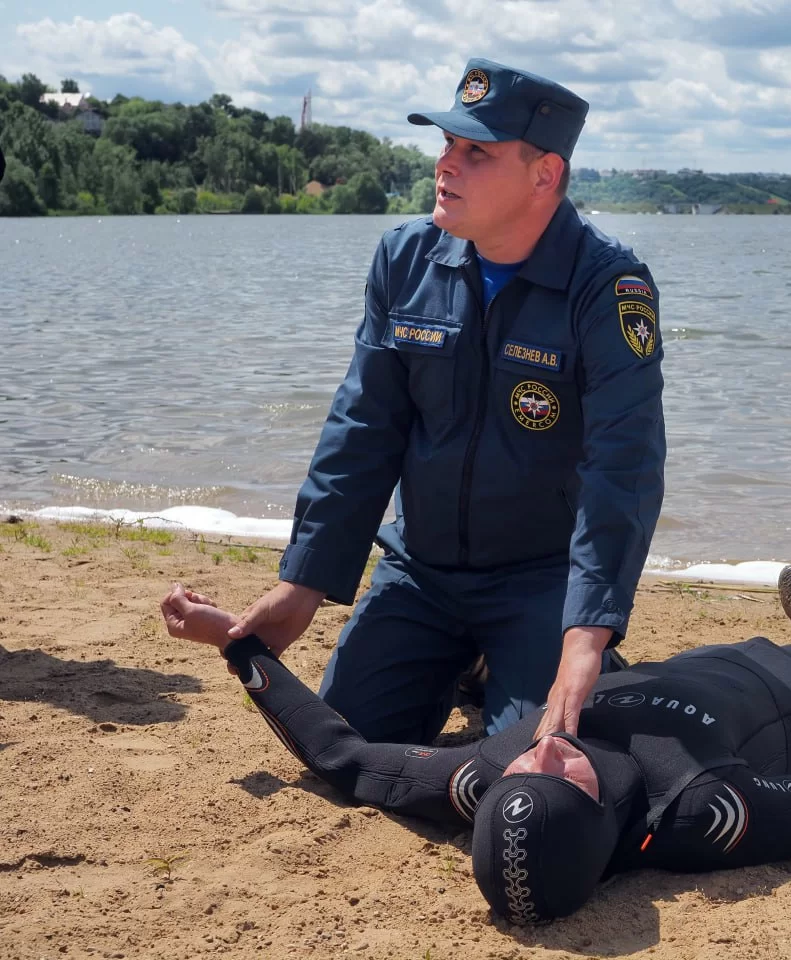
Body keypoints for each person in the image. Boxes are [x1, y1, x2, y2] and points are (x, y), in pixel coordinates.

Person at [162, 566, 791, 924]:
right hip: (786, 706)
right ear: (601, 819)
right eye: (556, 767)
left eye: (520, 765)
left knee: (787, 645)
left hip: (668, 669)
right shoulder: (706, 815)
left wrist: (235, 645)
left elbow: (342, 754)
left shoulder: (482, 783)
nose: (539, 749)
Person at [224, 58, 665, 745]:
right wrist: (302, 583)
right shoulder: (405, 259)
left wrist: (586, 634)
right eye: (448, 143)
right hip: (422, 570)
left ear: (545, 174)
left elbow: (624, 465)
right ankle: (473, 661)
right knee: (349, 737)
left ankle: (552, 659)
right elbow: (363, 428)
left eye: (477, 152)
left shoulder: (607, 286)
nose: (446, 164)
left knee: (529, 753)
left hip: (541, 578)